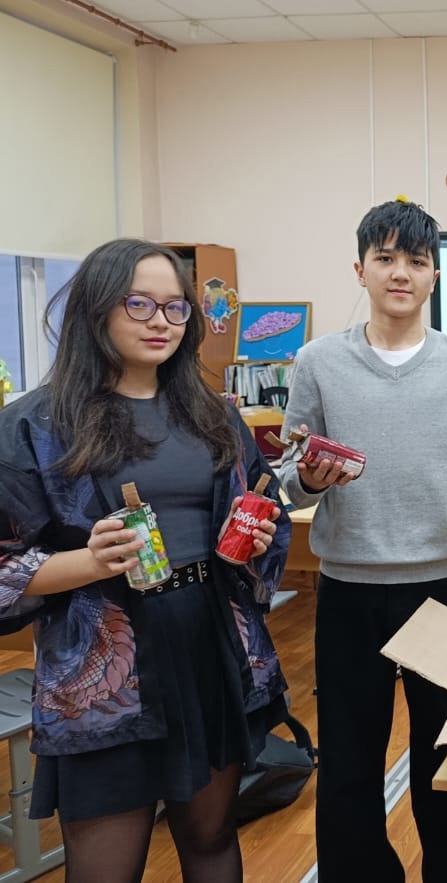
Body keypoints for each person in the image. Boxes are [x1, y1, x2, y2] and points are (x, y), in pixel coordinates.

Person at [0, 238, 290, 882]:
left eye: (175, 307)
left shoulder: (212, 416)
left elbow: (262, 506)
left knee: (212, 838)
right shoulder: (36, 426)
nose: (161, 321)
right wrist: (89, 562)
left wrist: (258, 538)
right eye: (139, 304)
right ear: (96, 308)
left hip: (210, 649)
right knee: (105, 864)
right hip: (105, 671)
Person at [279, 198, 447, 883]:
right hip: (348, 589)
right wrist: (310, 479)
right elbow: (290, 479)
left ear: (435, 274)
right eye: (384, 258)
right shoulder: (317, 361)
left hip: (443, 587)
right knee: (349, 757)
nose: (400, 272)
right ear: (360, 270)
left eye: (415, 260)